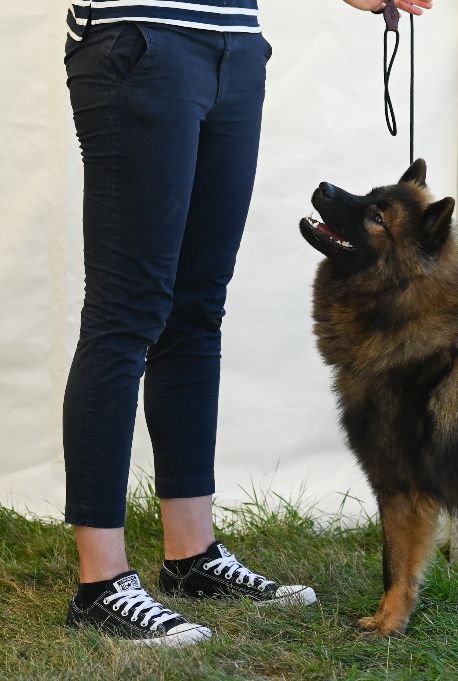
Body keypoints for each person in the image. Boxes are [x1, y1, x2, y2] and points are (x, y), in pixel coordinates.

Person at [62, 0, 432, 646]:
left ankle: (191, 554)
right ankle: (101, 583)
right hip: (142, 34)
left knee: (197, 309)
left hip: (232, 42)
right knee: (126, 312)